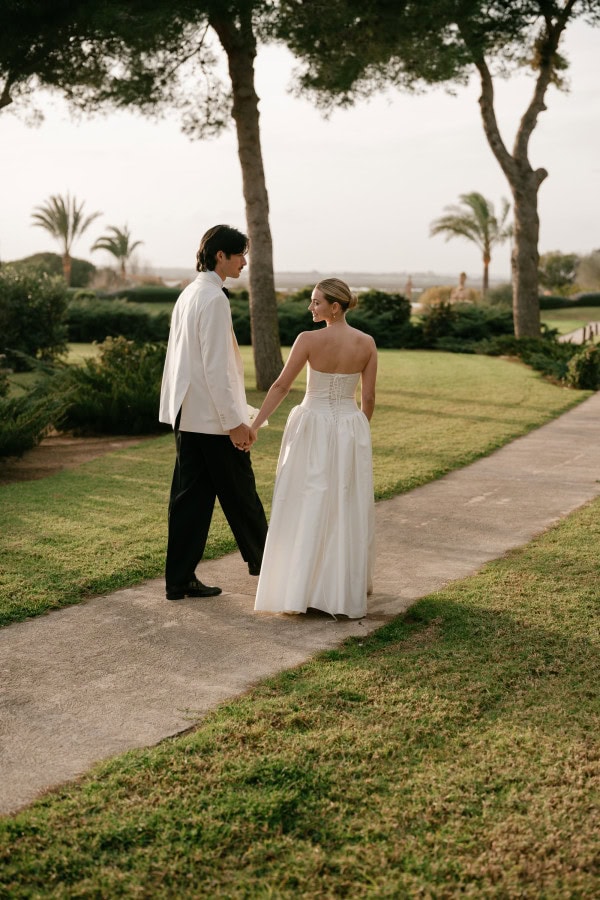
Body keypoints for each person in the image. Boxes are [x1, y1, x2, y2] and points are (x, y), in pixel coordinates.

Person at [251, 277, 377, 619]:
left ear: (335, 307)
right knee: (342, 502)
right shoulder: (366, 343)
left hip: (311, 426)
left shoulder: (307, 340)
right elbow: (367, 399)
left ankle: (300, 588)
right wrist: (356, 433)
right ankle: (338, 589)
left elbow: (280, 386)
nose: (311, 307)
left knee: (306, 500)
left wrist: (255, 424)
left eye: (316, 302)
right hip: (350, 427)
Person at [159, 224, 268, 601]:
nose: (244, 261)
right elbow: (216, 368)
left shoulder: (189, 293)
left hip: (187, 416)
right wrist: (235, 422)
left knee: (190, 500)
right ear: (220, 255)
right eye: (239, 254)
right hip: (211, 421)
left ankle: (179, 580)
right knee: (242, 497)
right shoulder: (213, 298)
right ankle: (274, 571)